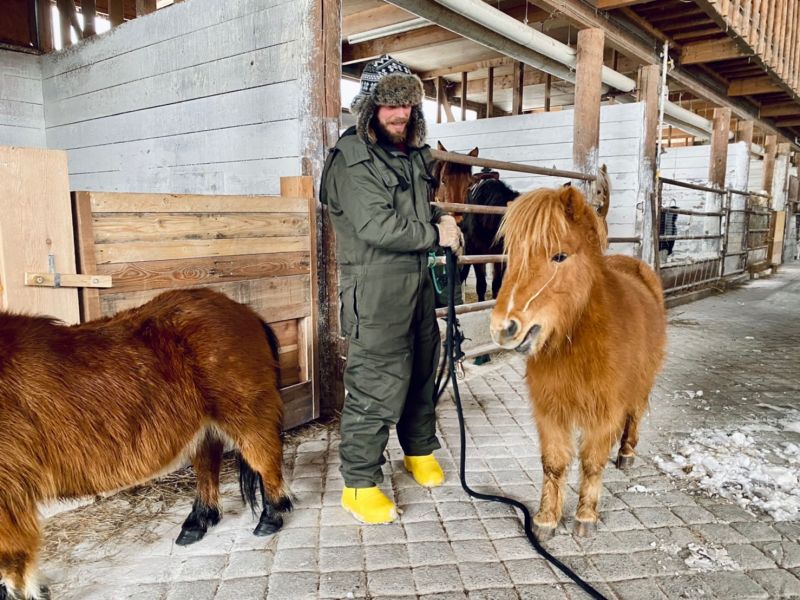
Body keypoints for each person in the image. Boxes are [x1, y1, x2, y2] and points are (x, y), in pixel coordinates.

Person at [320, 55, 463, 524]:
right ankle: (359, 484)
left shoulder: (415, 154)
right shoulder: (352, 157)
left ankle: (418, 450)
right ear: (368, 108)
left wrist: (440, 213)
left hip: (417, 283)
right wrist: (434, 234)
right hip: (376, 287)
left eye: (406, 105)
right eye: (388, 105)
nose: (399, 114)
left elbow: (420, 203)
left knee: (425, 367)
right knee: (377, 382)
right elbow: (376, 224)